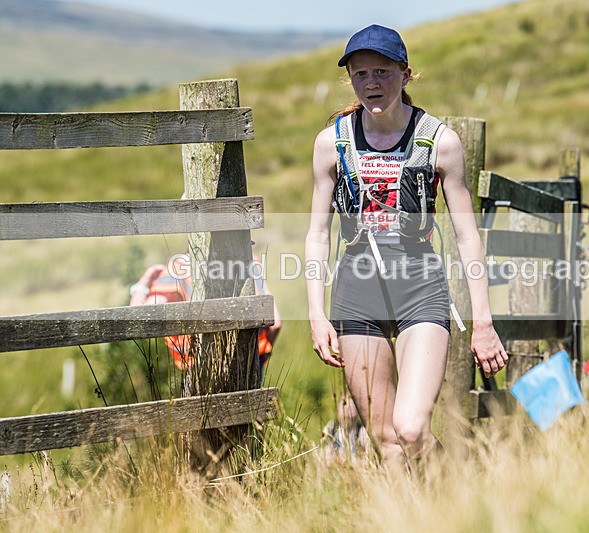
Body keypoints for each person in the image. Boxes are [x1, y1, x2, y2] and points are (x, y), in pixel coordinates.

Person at [305, 24, 507, 467]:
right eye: (360, 74)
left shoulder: (439, 142)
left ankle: (451, 485)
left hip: (420, 290)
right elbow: (318, 234)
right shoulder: (331, 144)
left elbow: (467, 235)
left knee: (411, 427)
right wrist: (317, 315)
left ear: (406, 74)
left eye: (382, 71)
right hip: (355, 295)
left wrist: (483, 323)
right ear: (350, 79)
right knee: (385, 439)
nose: (371, 84)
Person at [130, 254, 281, 376]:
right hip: (249, 361)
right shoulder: (248, 259)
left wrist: (143, 284)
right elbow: (276, 323)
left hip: (200, 369)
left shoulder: (179, 268)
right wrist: (260, 358)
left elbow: (138, 320)